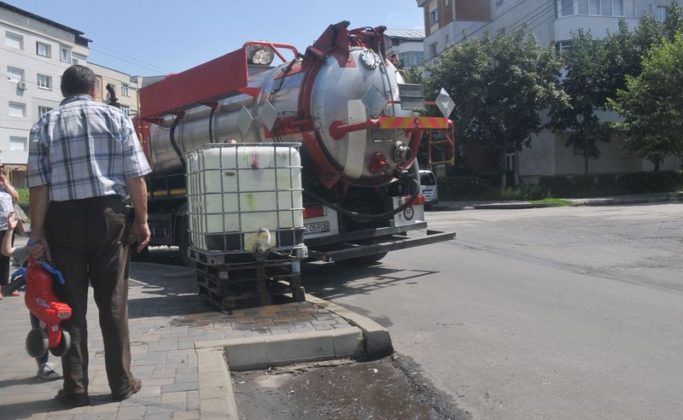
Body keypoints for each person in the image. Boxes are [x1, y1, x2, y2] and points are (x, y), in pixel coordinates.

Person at [27, 65, 152, 407]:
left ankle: (75, 388)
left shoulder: (43, 125)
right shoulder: (116, 118)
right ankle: (121, 384)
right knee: (113, 304)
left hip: (62, 220)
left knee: (69, 306)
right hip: (108, 217)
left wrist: (37, 235)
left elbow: (38, 186)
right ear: (95, 89)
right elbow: (136, 176)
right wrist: (142, 221)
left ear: (63, 91)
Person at [1, 211, 59, 380]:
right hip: (37, 299)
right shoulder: (32, 247)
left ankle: (69, 361)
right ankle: (43, 365)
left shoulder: (63, 247)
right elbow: (6, 251)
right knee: (39, 330)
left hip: (59, 298)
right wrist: (10, 229)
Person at [0, 162, 19, 300]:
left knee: (6, 256)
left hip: (8, 226)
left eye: (2, 167)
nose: (1, 169)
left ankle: (5, 286)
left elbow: (16, 197)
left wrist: (5, 183)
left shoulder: (6, 185)